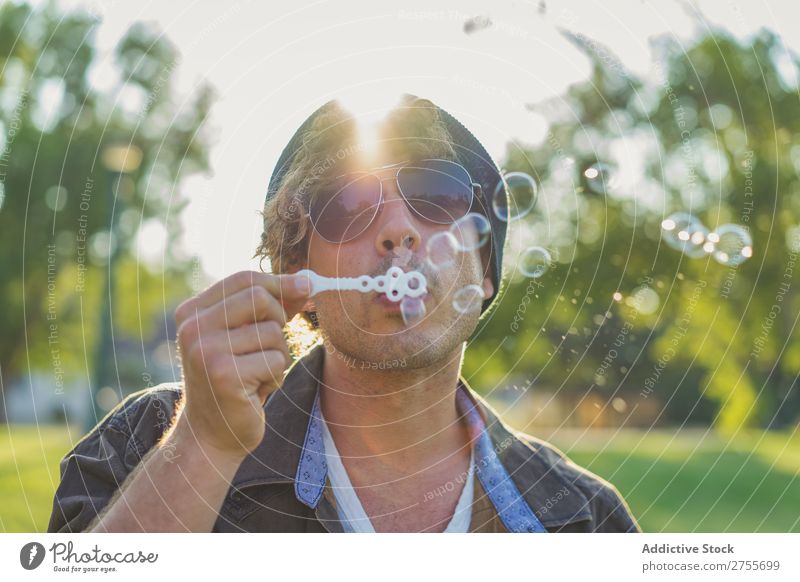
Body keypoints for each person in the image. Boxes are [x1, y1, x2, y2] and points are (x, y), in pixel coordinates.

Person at [48, 95, 640, 533]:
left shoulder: (585, 519)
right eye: (348, 205)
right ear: (298, 273)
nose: (397, 231)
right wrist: (204, 446)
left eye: (437, 194)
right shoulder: (148, 444)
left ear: (485, 271)